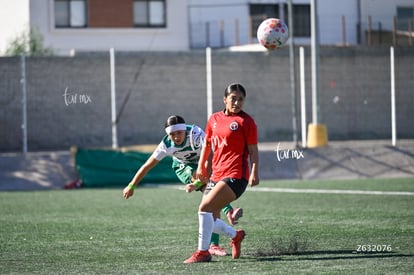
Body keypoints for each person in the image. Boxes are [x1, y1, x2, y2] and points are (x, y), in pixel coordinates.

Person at [122, 115, 243, 256]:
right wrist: (131, 185)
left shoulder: (196, 134)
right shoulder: (166, 144)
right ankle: (227, 214)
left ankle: (215, 244)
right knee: (209, 191)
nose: (176, 137)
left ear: (185, 130)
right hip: (183, 166)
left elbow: (210, 157)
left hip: (204, 163)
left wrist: (199, 181)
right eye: (172, 134)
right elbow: (147, 166)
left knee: (209, 194)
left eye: (178, 133)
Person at [183, 83, 259, 264]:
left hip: (236, 176)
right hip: (215, 175)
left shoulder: (246, 122)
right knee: (210, 219)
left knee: (203, 209)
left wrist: (254, 171)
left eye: (241, 99)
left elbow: (254, 151)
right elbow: (207, 146)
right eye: (233, 98)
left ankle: (203, 253)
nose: (237, 102)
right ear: (225, 99)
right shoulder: (214, 119)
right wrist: (202, 167)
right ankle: (236, 235)